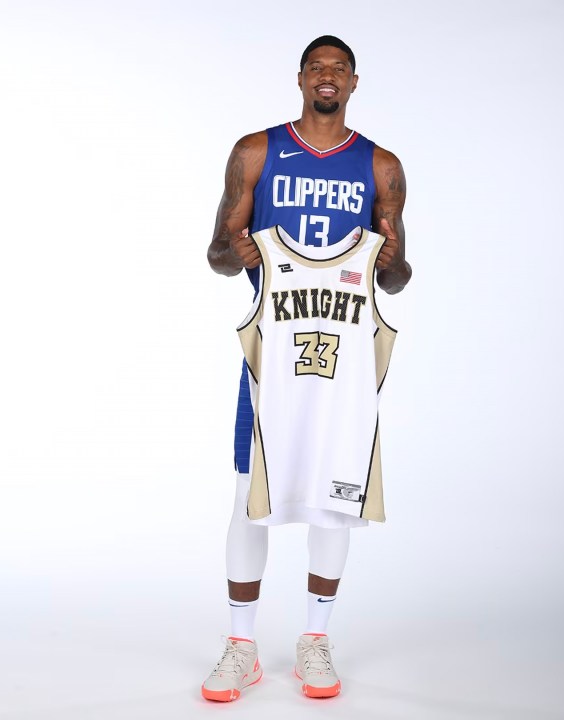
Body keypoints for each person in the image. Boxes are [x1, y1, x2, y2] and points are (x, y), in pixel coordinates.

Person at [201, 35, 412, 702]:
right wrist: (236, 252)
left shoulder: (380, 167)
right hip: (271, 350)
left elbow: (401, 275)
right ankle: (241, 647)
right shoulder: (257, 152)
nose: (327, 77)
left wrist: (392, 266)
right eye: (317, 67)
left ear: (354, 83)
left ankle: (315, 640)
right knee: (247, 496)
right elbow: (216, 254)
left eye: (338, 69)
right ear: (300, 79)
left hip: (345, 356)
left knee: (335, 496)